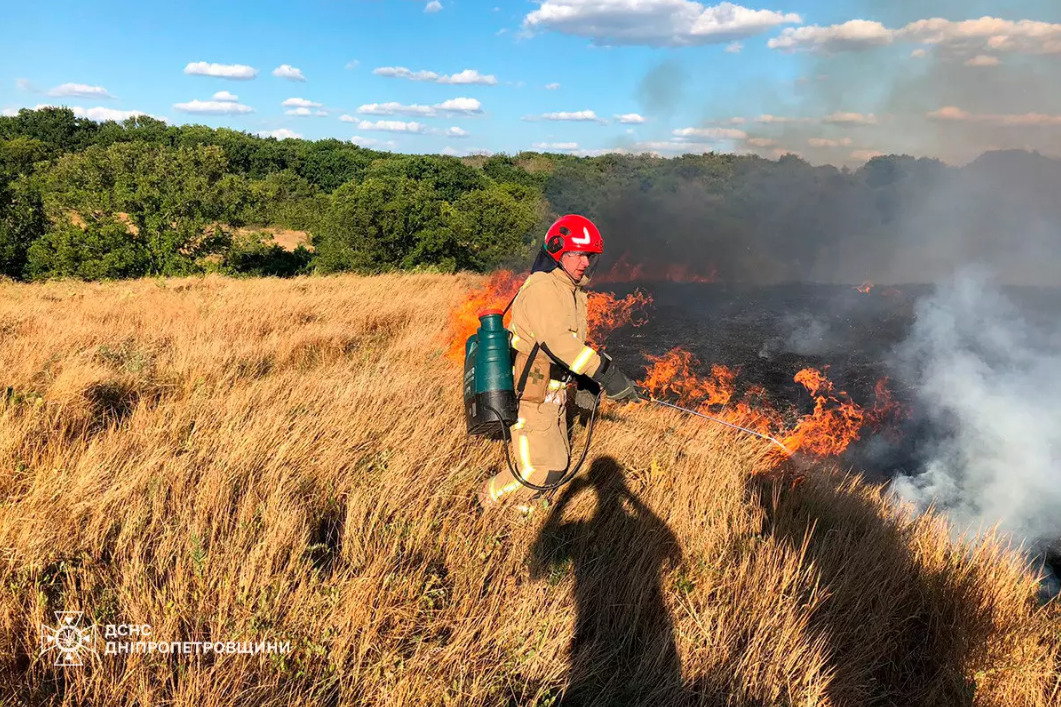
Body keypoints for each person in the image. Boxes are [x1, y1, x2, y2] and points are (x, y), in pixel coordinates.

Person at [478, 214, 641, 510]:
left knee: (560, 463)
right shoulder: (543, 288)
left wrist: (584, 381)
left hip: (551, 391)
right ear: (558, 251)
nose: (584, 262)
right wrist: (605, 374)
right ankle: (486, 500)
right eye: (577, 254)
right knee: (538, 468)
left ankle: (522, 512)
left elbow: (569, 345)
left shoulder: (570, 289)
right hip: (531, 391)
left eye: (588, 256)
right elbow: (559, 343)